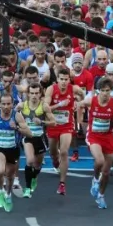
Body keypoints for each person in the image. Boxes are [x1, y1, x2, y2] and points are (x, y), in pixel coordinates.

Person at [77, 78, 113, 209]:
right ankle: (96, 179)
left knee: (107, 173)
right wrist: (80, 121)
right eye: (102, 91)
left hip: (108, 137)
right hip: (94, 136)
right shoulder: (91, 101)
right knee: (99, 160)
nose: (105, 93)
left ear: (111, 91)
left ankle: (101, 196)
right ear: (98, 91)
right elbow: (78, 105)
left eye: (107, 91)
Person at [44, 68, 85, 196]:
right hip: (53, 125)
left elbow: (84, 96)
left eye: (66, 79)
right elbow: (45, 108)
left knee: (64, 152)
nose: (63, 82)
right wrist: (59, 105)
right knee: (53, 153)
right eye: (61, 79)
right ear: (57, 79)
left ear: (69, 80)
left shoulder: (74, 89)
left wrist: (79, 102)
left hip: (67, 125)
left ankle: (62, 184)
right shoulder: (51, 89)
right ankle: (55, 161)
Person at [0, 94, 31, 212]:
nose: (6, 106)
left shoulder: (17, 116)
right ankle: (0, 190)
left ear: (12, 104)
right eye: (4, 104)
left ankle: (8, 194)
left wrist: (16, 127)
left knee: (10, 176)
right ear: (0, 104)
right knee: (1, 171)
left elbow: (29, 133)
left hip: (13, 150)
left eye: (8, 104)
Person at [18, 83, 55, 198]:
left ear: (40, 94)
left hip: (40, 138)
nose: (34, 96)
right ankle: (27, 189)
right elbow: (13, 117)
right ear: (28, 94)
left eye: (36, 93)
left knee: (37, 165)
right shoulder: (21, 106)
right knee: (30, 161)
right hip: (28, 137)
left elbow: (54, 122)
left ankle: (34, 177)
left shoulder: (44, 106)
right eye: (32, 93)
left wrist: (42, 122)